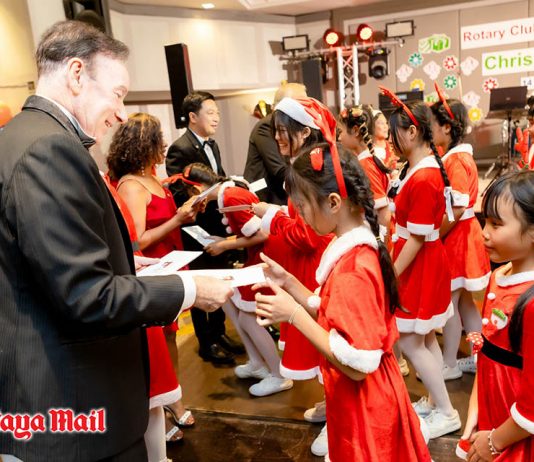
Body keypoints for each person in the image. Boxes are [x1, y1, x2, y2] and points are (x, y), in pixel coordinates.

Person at [0, 21, 232, 461]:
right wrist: (189, 289)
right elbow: (85, 296)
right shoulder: (50, 149)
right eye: (118, 93)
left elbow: (44, 263)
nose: (122, 113)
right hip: (72, 404)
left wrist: (123, 264)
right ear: (76, 74)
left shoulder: (17, 137)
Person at [253, 134, 432, 460]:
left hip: (365, 403)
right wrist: (290, 282)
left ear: (334, 202)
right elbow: (332, 313)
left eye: (303, 206)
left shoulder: (353, 268)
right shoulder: (354, 250)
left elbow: (357, 364)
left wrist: (293, 315)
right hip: (365, 396)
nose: (301, 215)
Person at [107, 112, 199, 455]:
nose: (164, 145)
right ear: (145, 145)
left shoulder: (153, 179)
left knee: (171, 337)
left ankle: (173, 397)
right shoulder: (131, 185)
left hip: (170, 263)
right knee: (155, 345)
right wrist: (177, 219)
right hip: (151, 270)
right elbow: (138, 240)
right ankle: (160, 404)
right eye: (159, 139)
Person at [251, 97, 333, 456]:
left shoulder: (309, 170)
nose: (277, 138)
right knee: (319, 345)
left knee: (325, 344)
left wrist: (271, 216)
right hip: (307, 266)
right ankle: (332, 407)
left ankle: (339, 419)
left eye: (282, 131)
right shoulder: (307, 165)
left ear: (304, 131)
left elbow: (308, 234)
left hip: (316, 267)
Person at [381, 89, 461, 439]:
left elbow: (416, 238)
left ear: (412, 132)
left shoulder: (425, 175)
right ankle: (435, 401)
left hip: (419, 265)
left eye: (395, 132)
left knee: (413, 343)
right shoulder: (420, 168)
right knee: (424, 339)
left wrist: (391, 275)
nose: (391, 139)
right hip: (421, 262)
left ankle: (447, 412)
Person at [176, 163, 293, 396]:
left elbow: (261, 234)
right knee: (230, 301)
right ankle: (257, 363)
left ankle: (279, 375)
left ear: (196, 190)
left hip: (267, 257)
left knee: (248, 319)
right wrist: (224, 241)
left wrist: (224, 245)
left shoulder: (230, 197)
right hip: (260, 255)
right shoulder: (230, 191)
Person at [461, 171, 534, 461]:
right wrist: (475, 408)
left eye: (496, 224)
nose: (484, 232)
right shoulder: (499, 276)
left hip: (515, 434)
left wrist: (494, 441)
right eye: (485, 221)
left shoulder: (531, 303)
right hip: (493, 415)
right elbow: (488, 350)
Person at [166, 91, 242, 365]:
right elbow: (179, 191)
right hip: (195, 229)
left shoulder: (213, 145)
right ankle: (206, 342)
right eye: (210, 113)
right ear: (192, 117)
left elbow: (215, 178)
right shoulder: (179, 148)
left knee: (219, 279)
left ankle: (219, 332)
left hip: (216, 226)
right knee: (200, 285)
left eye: (217, 112)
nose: (216, 117)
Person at [430, 92, 490, 380]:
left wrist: (436, 233)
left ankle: (450, 363)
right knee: (465, 303)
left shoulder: (455, 160)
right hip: (465, 235)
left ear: (446, 127)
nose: (428, 130)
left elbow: (458, 203)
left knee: (450, 306)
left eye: (432, 124)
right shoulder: (459, 156)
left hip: (458, 239)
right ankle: (479, 359)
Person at [243, 82, 307, 205]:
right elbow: (279, 170)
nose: (306, 108)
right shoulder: (267, 125)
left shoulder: (297, 126)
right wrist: (311, 180)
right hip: (267, 200)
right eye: (301, 103)